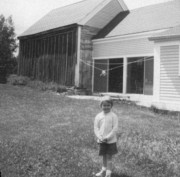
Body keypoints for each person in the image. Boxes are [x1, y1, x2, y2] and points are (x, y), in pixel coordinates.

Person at [94, 96, 118, 177]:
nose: (106, 107)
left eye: (108, 105)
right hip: (101, 140)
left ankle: (108, 174)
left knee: (109, 157)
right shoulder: (98, 116)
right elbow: (96, 128)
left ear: (111, 106)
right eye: (104, 105)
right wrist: (100, 137)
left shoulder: (113, 116)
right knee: (104, 156)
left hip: (110, 141)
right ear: (101, 106)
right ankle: (103, 171)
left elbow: (115, 129)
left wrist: (107, 137)